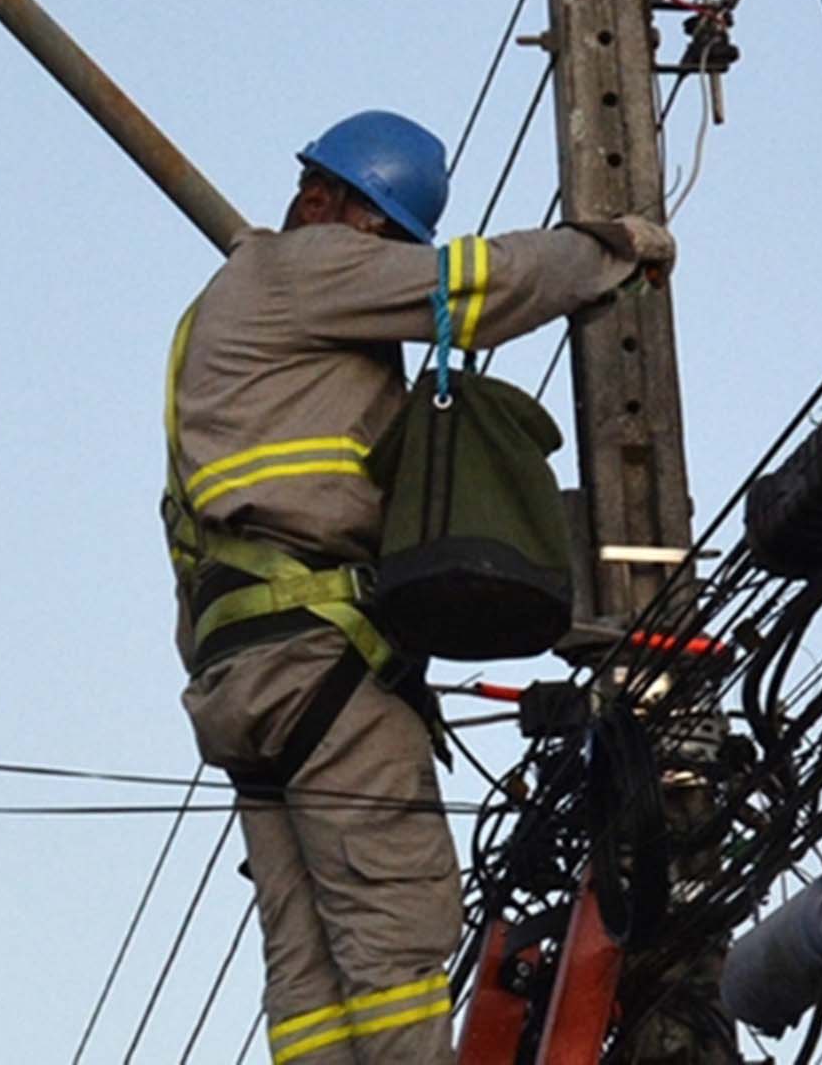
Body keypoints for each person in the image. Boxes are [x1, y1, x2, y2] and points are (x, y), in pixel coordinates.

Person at [162, 110, 674, 1065]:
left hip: (244, 678)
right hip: (322, 658)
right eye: (387, 239)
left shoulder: (231, 325)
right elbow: (478, 288)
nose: (385, 263)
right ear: (339, 206)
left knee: (310, 968)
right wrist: (606, 250)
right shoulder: (303, 268)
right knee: (395, 932)